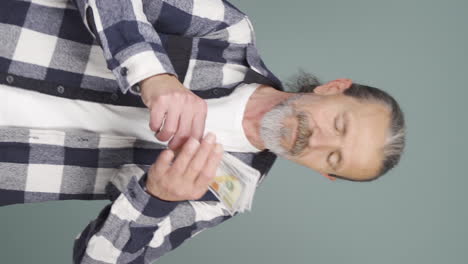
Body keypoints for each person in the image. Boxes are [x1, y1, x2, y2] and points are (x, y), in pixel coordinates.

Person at [0, 0, 406, 263]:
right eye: (339, 124)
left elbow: (95, 260)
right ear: (332, 88)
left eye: (332, 157)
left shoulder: (221, 194)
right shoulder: (229, 36)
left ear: (324, 173)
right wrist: (154, 74)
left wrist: (155, 198)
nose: (317, 141)